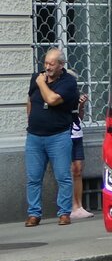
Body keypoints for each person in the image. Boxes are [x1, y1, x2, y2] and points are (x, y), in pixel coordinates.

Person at [25, 47, 79, 227]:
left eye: (51, 64)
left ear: (61, 65)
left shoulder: (68, 82)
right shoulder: (36, 77)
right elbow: (30, 101)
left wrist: (42, 83)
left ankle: (64, 213)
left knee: (63, 176)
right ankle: (34, 214)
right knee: (33, 178)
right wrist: (31, 121)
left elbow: (52, 100)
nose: (47, 67)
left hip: (58, 136)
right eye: (45, 63)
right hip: (34, 136)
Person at [69, 90, 93, 220]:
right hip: (63, 134)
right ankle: (68, 206)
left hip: (76, 134)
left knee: (78, 170)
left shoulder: (73, 95)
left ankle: (78, 206)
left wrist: (81, 105)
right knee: (67, 172)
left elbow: (79, 117)